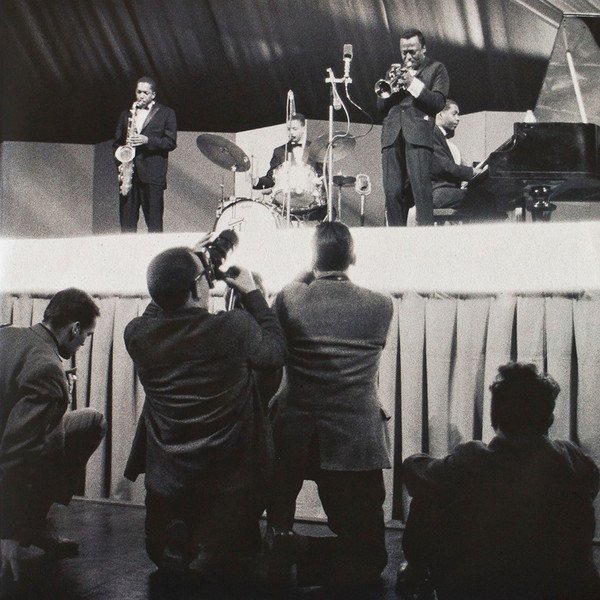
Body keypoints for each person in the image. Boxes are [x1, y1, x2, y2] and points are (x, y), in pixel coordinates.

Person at [123, 244, 285, 582]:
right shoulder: (233, 327)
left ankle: (189, 542)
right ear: (198, 287)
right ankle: (209, 547)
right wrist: (253, 294)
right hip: (227, 484)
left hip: (168, 482)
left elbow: (159, 308)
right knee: (237, 558)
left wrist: (178, 274)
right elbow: (274, 352)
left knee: (163, 551)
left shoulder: (136, 334)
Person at [398, 362, 600, 600]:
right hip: (568, 588)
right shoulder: (572, 457)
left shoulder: (472, 459)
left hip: (483, 589)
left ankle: (415, 572)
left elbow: (412, 470)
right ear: (549, 419)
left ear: (494, 416)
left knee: (428, 494)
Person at [267, 221, 394, 590]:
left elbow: (280, 315)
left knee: (279, 503)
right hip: (354, 434)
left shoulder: (290, 297)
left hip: (294, 427)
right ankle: (311, 553)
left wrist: (307, 271)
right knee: (370, 554)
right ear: (352, 257)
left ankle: (282, 542)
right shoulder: (381, 304)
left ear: (313, 258)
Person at [0, 288, 106, 583]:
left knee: (88, 421)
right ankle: (33, 522)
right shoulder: (48, 367)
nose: (83, 343)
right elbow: (17, 450)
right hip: (7, 460)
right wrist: (8, 531)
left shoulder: (6, 334)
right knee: (81, 427)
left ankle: (33, 520)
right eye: (86, 335)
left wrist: (56, 401)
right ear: (74, 329)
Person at [378, 29, 449, 226]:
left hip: (418, 134)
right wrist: (392, 86)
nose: (407, 56)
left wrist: (412, 84)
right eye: (404, 52)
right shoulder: (393, 72)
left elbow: (438, 102)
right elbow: (381, 107)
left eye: (412, 51)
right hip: (392, 135)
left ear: (423, 48)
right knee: (392, 192)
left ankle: (424, 238)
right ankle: (396, 239)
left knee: (421, 191)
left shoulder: (437, 69)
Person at [113, 76, 177, 233]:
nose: (140, 96)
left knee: (154, 226)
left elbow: (170, 143)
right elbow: (117, 143)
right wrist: (121, 165)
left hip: (153, 176)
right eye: (138, 92)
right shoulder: (126, 114)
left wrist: (147, 140)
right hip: (129, 175)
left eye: (145, 93)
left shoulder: (167, 113)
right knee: (127, 226)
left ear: (153, 95)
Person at [431, 99, 508, 221]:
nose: (458, 119)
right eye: (454, 114)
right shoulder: (433, 133)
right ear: (440, 114)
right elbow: (445, 166)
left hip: (443, 191)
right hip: (438, 193)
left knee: (483, 196)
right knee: (484, 197)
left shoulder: (439, 136)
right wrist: (472, 172)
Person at [254, 113, 325, 221]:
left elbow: (324, 177)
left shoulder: (315, 150)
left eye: (295, 129)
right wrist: (256, 181)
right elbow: (271, 179)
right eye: (288, 129)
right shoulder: (279, 151)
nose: (291, 132)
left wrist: (319, 182)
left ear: (303, 128)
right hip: (285, 204)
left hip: (310, 205)